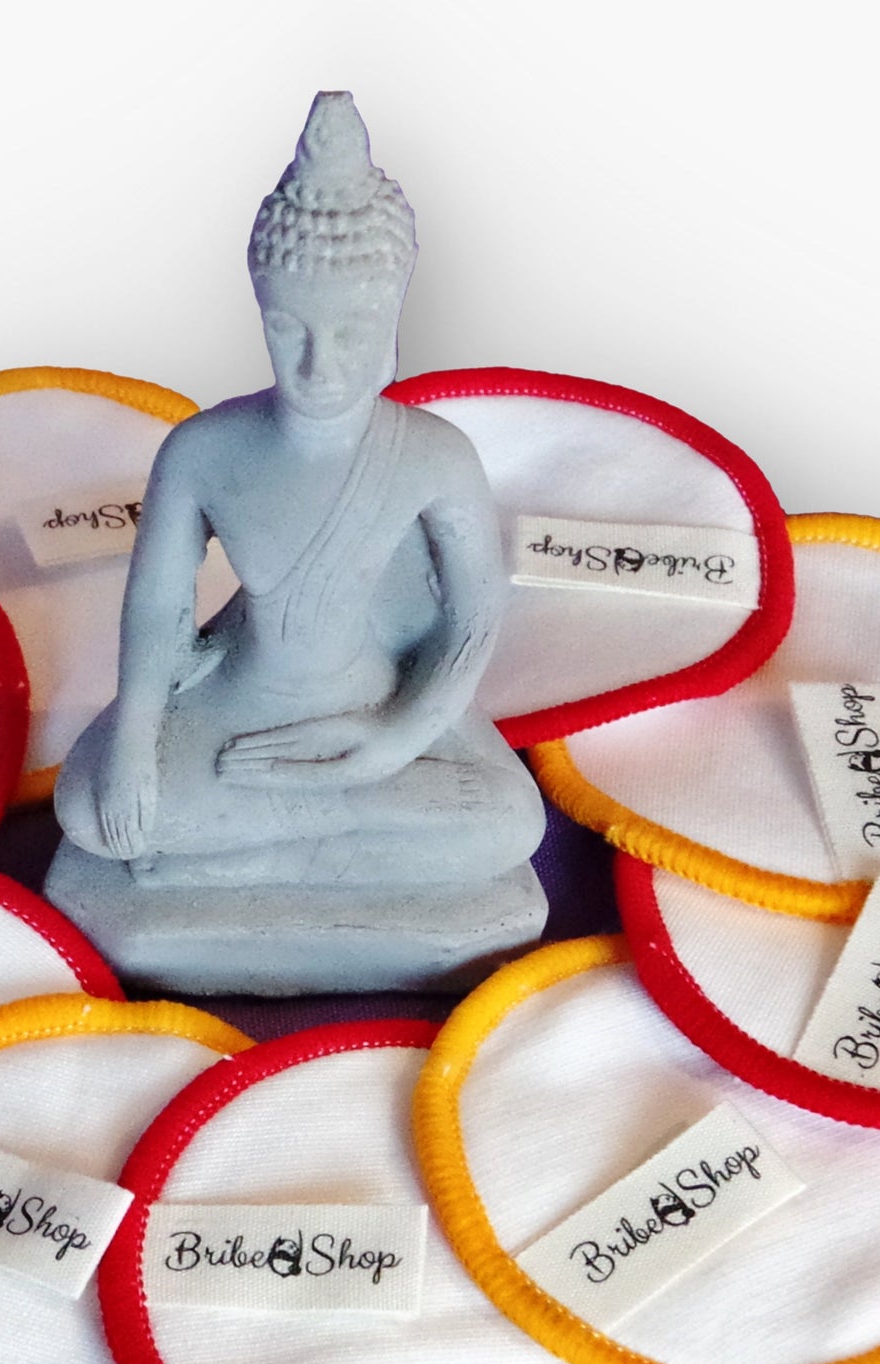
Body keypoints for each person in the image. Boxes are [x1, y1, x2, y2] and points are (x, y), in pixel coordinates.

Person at [54, 92, 543, 892]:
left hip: (373, 707)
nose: (320, 367)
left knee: (514, 822)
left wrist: (393, 740)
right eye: (290, 330)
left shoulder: (433, 456)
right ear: (262, 316)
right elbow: (156, 608)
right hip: (238, 711)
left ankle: (238, 863)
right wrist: (137, 749)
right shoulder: (202, 450)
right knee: (86, 807)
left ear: (392, 321)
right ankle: (342, 840)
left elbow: (476, 614)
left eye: (351, 333)